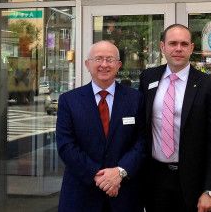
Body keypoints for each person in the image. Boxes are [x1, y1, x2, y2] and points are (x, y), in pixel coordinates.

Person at [139, 24, 211, 212]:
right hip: (154, 177)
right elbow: (141, 128)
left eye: (183, 44)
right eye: (172, 43)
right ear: (162, 47)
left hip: (193, 180)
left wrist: (210, 190)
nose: (178, 48)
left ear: (191, 48)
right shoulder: (148, 78)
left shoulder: (209, 86)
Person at [56, 40, 145, 212]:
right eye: (98, 59)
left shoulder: (135, 99)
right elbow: (66, 145)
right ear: (87, 64)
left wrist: (119, 172)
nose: (104, 64)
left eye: (110, 59)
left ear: (118, 65)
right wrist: (99, 177)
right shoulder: (69, 100)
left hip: (124, 195)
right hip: (81, 195)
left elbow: (141, 142)